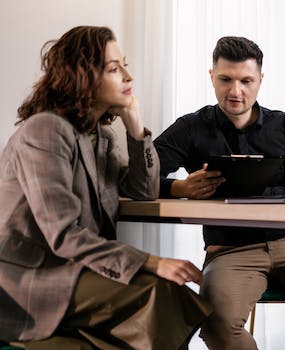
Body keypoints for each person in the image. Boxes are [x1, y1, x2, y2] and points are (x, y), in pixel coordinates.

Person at [0, 26, 211, 349]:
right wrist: (153, 261)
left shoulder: (100, 137)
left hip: (74, 271)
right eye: (114, 68)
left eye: (124, 65)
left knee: (164, 299)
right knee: (160, 291)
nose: (128, 76)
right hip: (31, 282)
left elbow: (142, 190)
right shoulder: (45, 130)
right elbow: (63, 234)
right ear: (83, 77)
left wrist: (136, 127)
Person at [153, 36, 285, 350]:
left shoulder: (284, 126)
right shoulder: (191, 128)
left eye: (246, 81)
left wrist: (249, 190)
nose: (236, 91)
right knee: (217, 326)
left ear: (260, 81)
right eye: (226, 79)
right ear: (211, 76)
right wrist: (179, 187)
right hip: (231, 251)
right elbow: (138, 180)